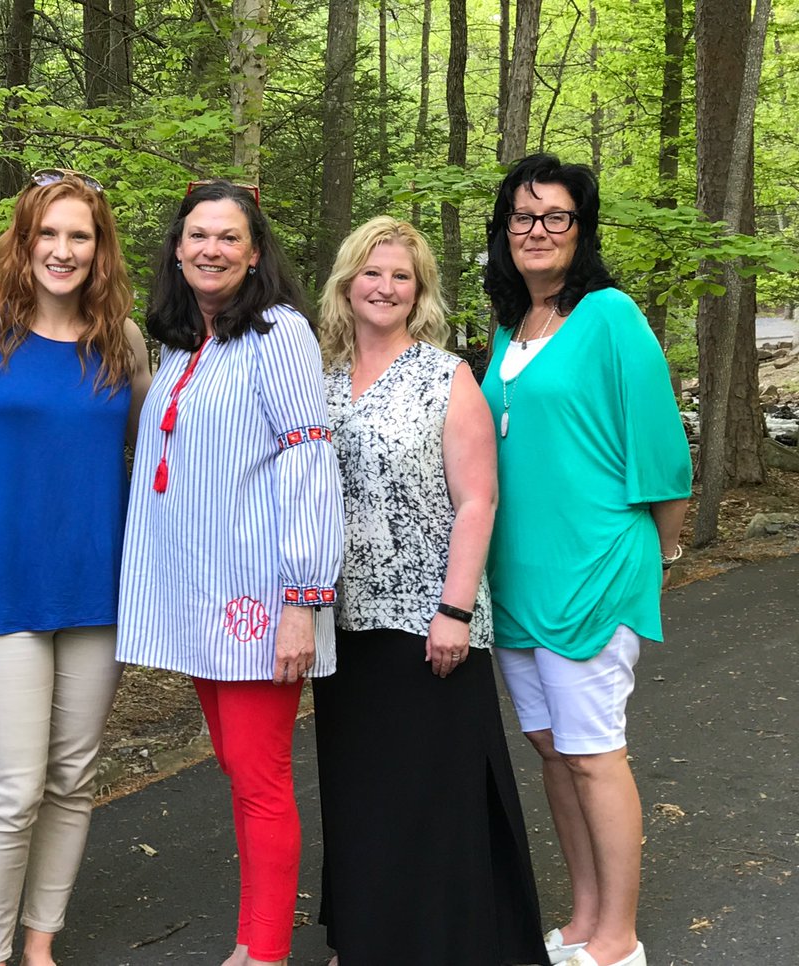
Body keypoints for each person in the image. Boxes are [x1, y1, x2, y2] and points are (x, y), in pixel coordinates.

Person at [117, 179, 343, 966]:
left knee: (259, 775)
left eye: (228, 237)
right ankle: (253, 942)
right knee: (238, 769)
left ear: (254, 254)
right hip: (199, 599)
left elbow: (308, 459)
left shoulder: (279, 333)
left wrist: (302, 600)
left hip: (260, 598)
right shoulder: (185, 342)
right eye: (198, 235)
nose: (211, 249)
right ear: (178, 250)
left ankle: (264, 950)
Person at [313, 216, 550, 966]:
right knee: (360, 786)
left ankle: (451, 943)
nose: (384, 288)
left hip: (428, 619)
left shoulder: (446, 376)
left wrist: (454, 609)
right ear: (348, 282)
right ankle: (369, 937)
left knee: (434, 788)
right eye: (372, 272)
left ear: (419, 294)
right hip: (342, 617)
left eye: (401, 277)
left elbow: (478, 499)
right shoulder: (318, 375)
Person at [0, 168, 149, 966]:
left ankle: (39, 945)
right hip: (1, 582)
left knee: (72, 777)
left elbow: (158, 456)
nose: (63, 250)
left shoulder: (122, 341)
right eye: (47, 234)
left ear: (99, 248)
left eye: (79, 236)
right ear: (23, 243)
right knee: (13, 786)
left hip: (97, 583)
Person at [481, 154, 692, 966]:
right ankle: (584, 916)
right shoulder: (511, 326)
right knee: (552, 749)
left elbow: (663, 456)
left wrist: (659, 552)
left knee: (595, 754)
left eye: (556, 216)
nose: (537, 230)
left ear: (581, 229)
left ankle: (618, 939)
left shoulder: (610, 316)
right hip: (517, 581)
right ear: (505, 230)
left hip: (594, 572)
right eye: (523, 216)